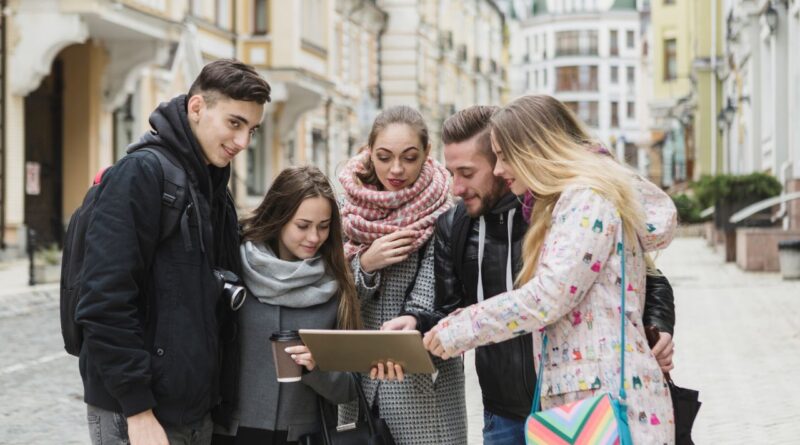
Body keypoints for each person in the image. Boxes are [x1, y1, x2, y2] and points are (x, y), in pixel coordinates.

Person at [387, 105, 677, 444]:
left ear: (534, 151)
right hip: (568, 405)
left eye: (502, 156)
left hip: (605, 403)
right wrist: (420, 331)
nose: (499, 168)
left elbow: (549, 296)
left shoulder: (586, 201)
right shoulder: (554, 206)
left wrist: (458, 329)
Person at [74, 59, 270, 445]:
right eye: (234, 123)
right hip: (139, 414)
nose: (243, 142)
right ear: (197, 108)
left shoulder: (213, 187)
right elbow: (102, 302)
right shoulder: (142, 174)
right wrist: (138, 410)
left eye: (252, 129)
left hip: (194, 411)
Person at [337, 105, 466, 444]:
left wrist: (409, 327)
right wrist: (365, 265)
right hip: (361, 386)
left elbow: (434, 298)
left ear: (427, 153)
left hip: (423, 388)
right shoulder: (347, 211)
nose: (396, 169)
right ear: (368, 153)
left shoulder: (446, 211)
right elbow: (333, 294)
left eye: (409, 157)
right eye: (384, 156)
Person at [211, 166, 361, 444]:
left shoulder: (337, 285)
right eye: (303, 226)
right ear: (279, 218)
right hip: (229, 432)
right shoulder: (234, 268)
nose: (314, 237)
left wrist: (316, 370)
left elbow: (349, 389)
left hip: (304, 436)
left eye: (324, 226)